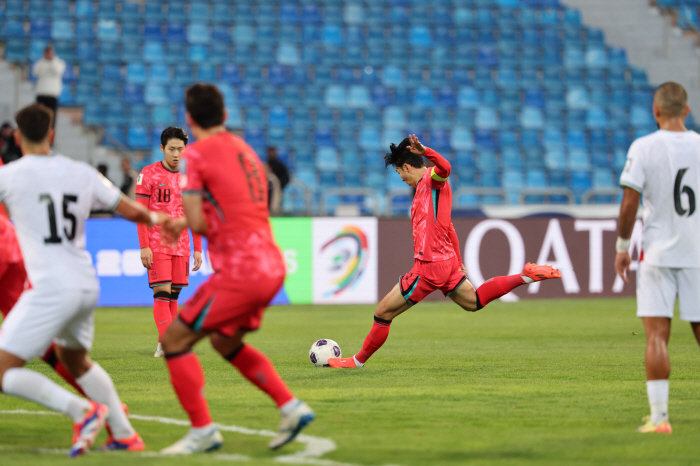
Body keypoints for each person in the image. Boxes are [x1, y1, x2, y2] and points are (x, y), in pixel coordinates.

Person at [0, 103, 168, 456]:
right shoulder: (82, 172)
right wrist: (161, 221)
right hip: (86, 285)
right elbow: (130, 209)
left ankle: (82, 410)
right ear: (52, 134)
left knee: (3, 372)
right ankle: (124, 435)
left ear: (16, 137)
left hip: (49, 287)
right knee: (76, 362)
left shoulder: (10, 176)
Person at [158, 83, 314, 454]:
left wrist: (185, 222)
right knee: (224, 340)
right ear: (225, 116)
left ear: (190, 119)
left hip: (241, 270)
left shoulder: (197, 156)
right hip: (271, 264)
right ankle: (291, 407)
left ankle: (202, 431)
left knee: (174, 340)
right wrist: (189, 222)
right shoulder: (246, 151)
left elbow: (198, 220)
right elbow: (237, 208)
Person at [328, 135, 561, 369]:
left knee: (382, 313)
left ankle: (357, 361)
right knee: (474, 301)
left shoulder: (432, 179)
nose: (403, 180)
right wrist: (458, 260)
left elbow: (446, 167)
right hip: (446, 263)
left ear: (408, 166)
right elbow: (448, 226)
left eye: (401, 174)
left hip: (428, 266)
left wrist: (425, 150)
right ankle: (526, 276)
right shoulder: (424, 189)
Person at [615, 82, 700, 434]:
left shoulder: (644, 147)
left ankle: (660, 419)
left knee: (656, 335)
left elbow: (630, 203)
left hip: (659, 251)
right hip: (698, 251)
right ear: (687, 111)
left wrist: (622, 247)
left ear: (656, 111)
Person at [135, 126, 203, 357]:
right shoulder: (148, 174)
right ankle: (168, 343)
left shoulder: (191, 177)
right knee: (162, 293)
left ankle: (166, 343)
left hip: (182, 245)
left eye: (180, 149)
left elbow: (196, 214)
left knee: (173, 295)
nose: (176, 154)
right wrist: (144, 246)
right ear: (162, 148)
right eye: (171, 149)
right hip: (156, 242)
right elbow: (141, 215)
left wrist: (198, 249)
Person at [32, 45, 65, 129]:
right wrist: (44, 60)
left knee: (51, 119)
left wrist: (51, 60)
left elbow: (58, 71)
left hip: (52, 94)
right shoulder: (41, 62)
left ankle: (50, 140)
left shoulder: (59, 62)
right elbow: (36, 71)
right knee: (39, 119)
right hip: (41, 93)